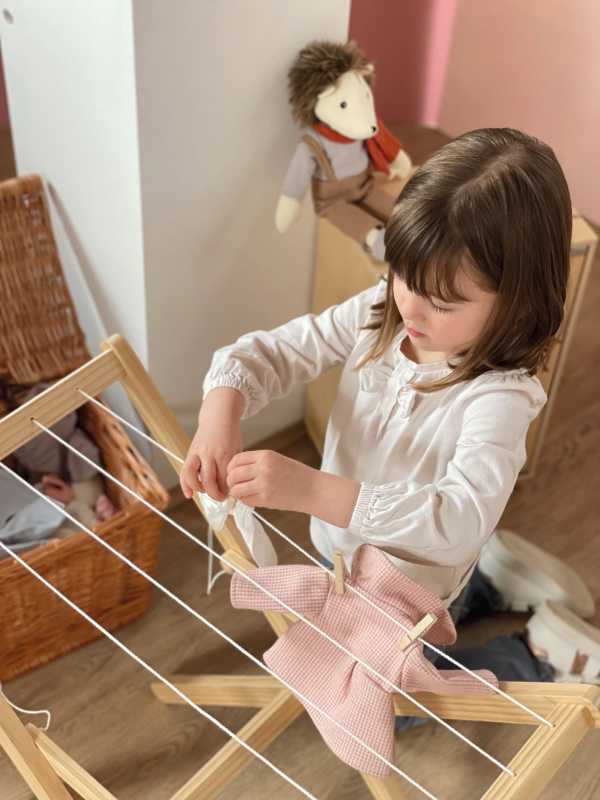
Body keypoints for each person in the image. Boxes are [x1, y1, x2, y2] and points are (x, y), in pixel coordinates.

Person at [181, 128, 573, 711]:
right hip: (337, 549)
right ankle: (493, 580)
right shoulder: (380, 314)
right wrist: (221, 410)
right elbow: (271, 353)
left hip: (415, 589)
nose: (411, 305)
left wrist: (311, 489)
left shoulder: (501, 397)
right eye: (403, 274)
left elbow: (458, 519)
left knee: (385, 707)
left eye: (442, 301)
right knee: (343, 656)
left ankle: (534, 655)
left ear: (516, 302)